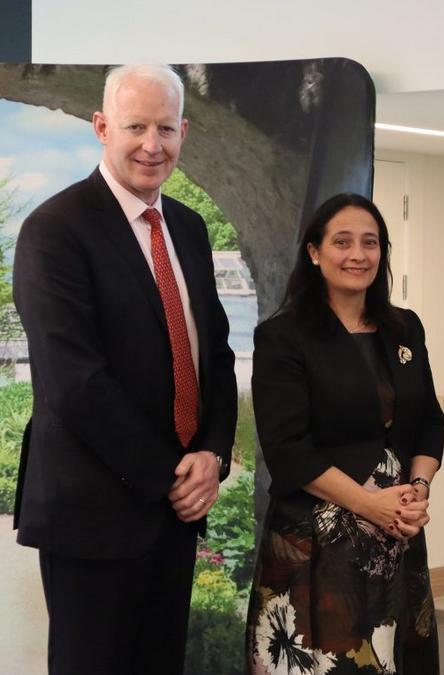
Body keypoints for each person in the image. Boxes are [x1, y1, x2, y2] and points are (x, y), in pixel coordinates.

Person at [12, 64, 237, 674]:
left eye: (166, 127)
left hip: (175, 509)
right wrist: (173, 474)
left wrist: (212, 456)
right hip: (94, 512)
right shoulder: (54, 231)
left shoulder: (187, 229)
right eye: (136, 126)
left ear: (184, 131)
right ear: (102, 126)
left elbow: (213, 353)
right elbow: (73, 383)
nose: (152, 144)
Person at [246, 193, 444, 674]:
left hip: (397, 536)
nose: (358, 255)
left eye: (370, 243)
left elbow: (430, 424)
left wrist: (416, 491)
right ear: (314, 252)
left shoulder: (405, 328)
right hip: (317, 543)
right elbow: (288, 451)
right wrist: (370, 504)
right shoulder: (284, 337)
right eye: (342, 242)